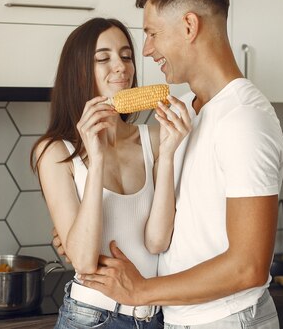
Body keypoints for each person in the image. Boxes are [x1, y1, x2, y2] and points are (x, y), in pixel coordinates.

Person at [75, 0, 283, 328]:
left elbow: (248, 266)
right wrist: (73, 234)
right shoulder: (184, 111)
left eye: (153, 33)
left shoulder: (245, 120)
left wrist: (142, 291)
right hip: (182, 319)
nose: (146, 50)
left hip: (227, 320)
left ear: (189, 26)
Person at [31, 17, 191, 329]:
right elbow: (84, 260)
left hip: (153, 317)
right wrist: (98, 158)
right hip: (91, 317)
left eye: (126, 56)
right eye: (103, 58)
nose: (120, 67)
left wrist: (169, 154)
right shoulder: (55, 152)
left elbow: (157, 242)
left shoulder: (154, 139)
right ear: (79, 73)